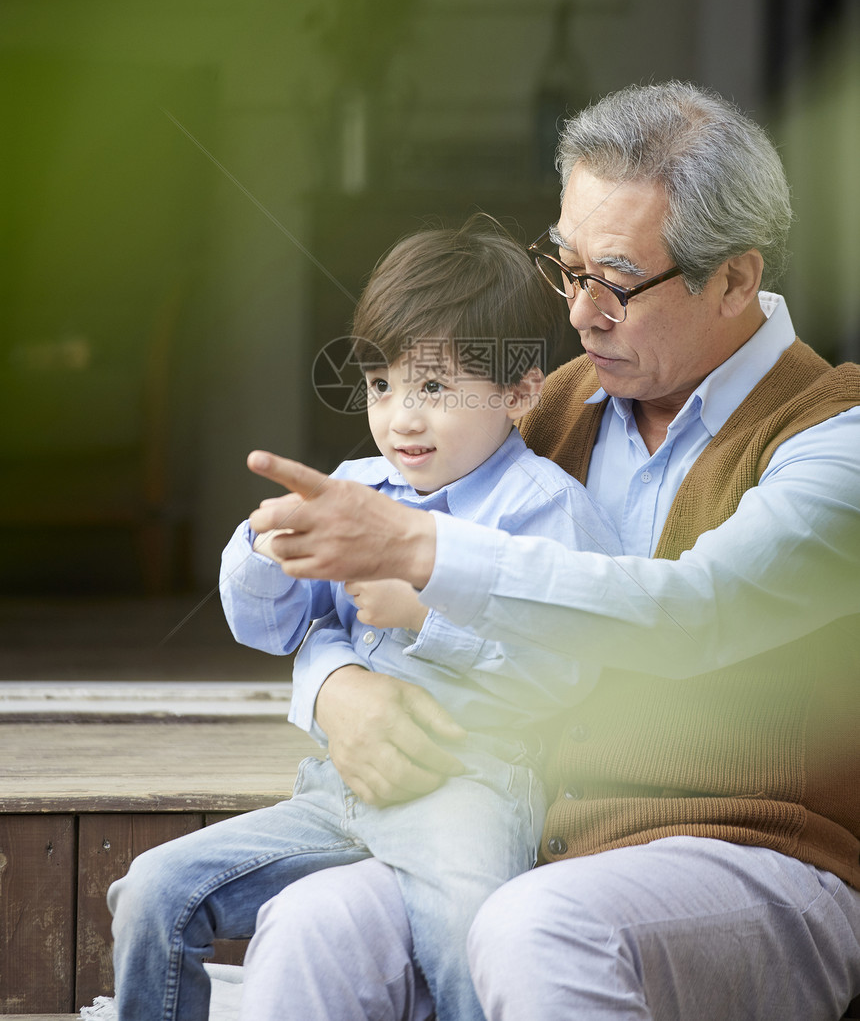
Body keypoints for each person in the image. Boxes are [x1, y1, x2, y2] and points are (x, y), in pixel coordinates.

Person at [238, 81, 860, 1021]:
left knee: (538, 927)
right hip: (515, 829)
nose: (578, 313)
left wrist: (418, 547)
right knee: (310, 924)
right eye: (564, 267)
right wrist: (335, 685)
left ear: (735, 278)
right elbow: (349, 600)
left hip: (755, 859)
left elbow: (689, 614)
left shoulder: (835, 440)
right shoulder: (539, 402)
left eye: (614, 279)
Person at [107, 215, 620, 1021]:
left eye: (435, 387)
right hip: (336, 787)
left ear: (521, 391)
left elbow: (570, 669)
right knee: (152, 891)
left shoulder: (545, 509)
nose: (401, 418)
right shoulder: (357, 489)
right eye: (383, 385)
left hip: (469, 790)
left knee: (468, 944)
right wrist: (262, 545)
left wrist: (427, 615)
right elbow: (268, 628)